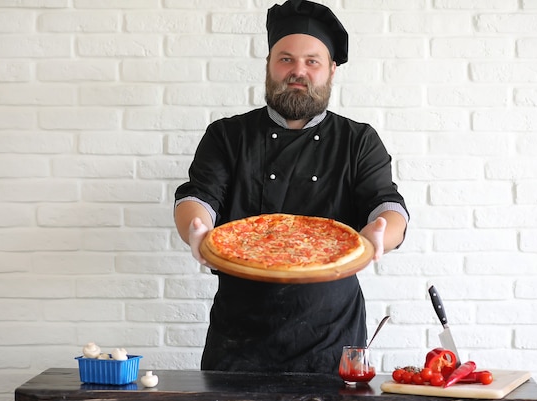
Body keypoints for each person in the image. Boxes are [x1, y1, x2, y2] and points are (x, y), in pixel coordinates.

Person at [174, 0, 409, 374]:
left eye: (312, 61)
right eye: (285, 59)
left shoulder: (358, 140)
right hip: (239, 333)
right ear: (268, 64)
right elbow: (198, 196)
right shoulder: (227, 135)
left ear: (331, 69)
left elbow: (386, 206)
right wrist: (195, 229)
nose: (297, 71)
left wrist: (380, 235)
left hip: (332, 331)